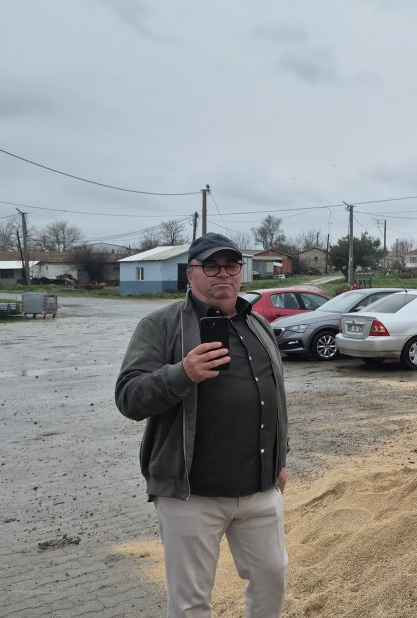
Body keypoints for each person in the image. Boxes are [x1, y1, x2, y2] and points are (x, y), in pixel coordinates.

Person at [116, 232, 289, 617]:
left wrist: (280, 457)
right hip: (192, 494)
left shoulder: (258, 325)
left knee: (272, 578)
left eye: (230, 265)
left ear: (241, 273)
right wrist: (182, 373)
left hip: (258, 492)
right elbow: (128, 397)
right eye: (210, 266)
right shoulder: (160, 325)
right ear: (190, 273)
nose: (222, 274)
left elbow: (274, 399)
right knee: (191, 601)